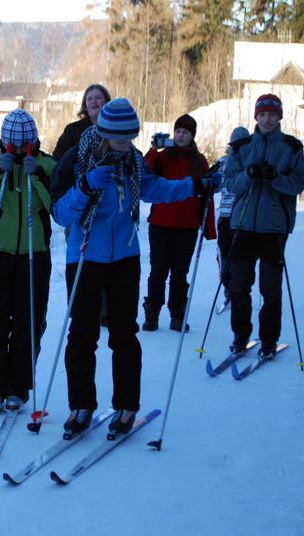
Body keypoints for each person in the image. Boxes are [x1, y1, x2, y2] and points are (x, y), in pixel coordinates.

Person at [50, 98, 218, 437]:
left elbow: (155, 188)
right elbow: (61, 214)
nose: (126, 144)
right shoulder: (77, 158)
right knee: (82, 334)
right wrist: (85, 185)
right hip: (84, 256)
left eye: (130, 138)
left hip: (124, 257)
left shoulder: (133, 161)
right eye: (120, 138)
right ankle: (81, 405)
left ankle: (126, 405)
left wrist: (196, 186)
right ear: (103, 132)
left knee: (124, 334)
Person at [0, 109, 57, 411]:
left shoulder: (47, 164)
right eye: (13, 145)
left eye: (23, 144)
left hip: (34, 254)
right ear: (4, 141)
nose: (18, 150)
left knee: (28, 321)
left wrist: (38, 175)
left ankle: (18, 386)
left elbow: (55, 206)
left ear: (33, 141)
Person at [224, 94, 304, 358]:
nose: (267, 119)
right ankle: (240, 335)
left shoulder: (291, 147)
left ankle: (269, 340)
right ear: (256, 117)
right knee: (239, 285)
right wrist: (249, 175)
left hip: (274, 227)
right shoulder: (242, 147)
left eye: (272, 114)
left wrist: (275, 178)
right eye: (262, 114)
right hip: (243, 224)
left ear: (279, 117)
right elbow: (230, 184)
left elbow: (299, 184)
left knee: (270, 288)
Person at [141, 114, 214, 332]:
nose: (181, 135)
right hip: (160, 223)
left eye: (186, 132)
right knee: (158, 272)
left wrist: (208, 226)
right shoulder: (162, 156)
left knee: (180, 273)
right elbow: (145, 171)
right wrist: (153, 149)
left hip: (187, 225)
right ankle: (152, 314)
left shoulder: (199, 161)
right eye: (178, 131)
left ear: (192, 136)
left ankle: (177, 315)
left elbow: (207, 192)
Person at [53, 84, 113, 326]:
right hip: (78, 204)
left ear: (107, 102)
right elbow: (58, 163)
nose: (95, 102)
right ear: (84, 105)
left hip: (109, 206)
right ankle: (82, 309)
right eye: (90, 99)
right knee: (82, 256)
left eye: (99, 98)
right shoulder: (73, 131)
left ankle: (106, 310)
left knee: (108, 256)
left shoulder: (115, 129)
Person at [216, 126, 251, 308]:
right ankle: (228, 289)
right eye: (236, 145)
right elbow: (214, 185)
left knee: (241, 258)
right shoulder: (223, 162)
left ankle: (240, 291)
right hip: (225, 216)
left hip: (245, 217)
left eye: (243, 144)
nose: (239, 148)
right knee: (224, 256)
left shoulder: (252, 163)